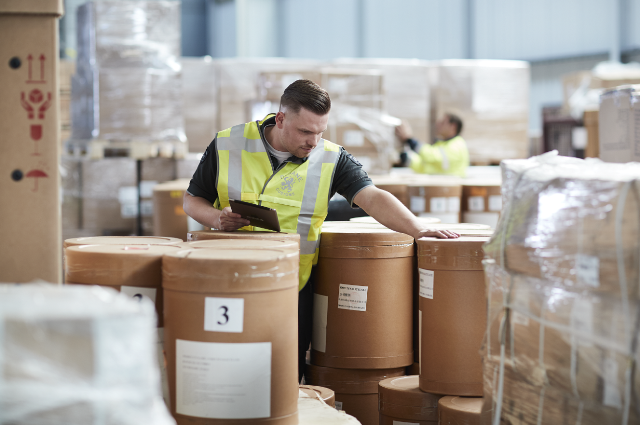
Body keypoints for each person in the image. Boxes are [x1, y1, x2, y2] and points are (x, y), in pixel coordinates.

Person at [183, 80, 460, 383]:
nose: (313, 142)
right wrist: (216, 217)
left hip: (291, 287)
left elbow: (372, 196)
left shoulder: (331, 157)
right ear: (281, 119)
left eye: (320, 132)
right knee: (226, 373)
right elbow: (191, 199)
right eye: (305, 132)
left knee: (283, 377)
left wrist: (419, 229)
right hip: (227, 281)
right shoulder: (228, 143)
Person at [396, 113, 469, 177]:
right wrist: (406, 158)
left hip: (451, 188)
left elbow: (431, 156)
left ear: (453, 126)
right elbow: (425, 166)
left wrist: (410, 140)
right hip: (441, 187)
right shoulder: (442, 144)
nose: (438, 124)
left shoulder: (457, 145)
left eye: (442, 122)